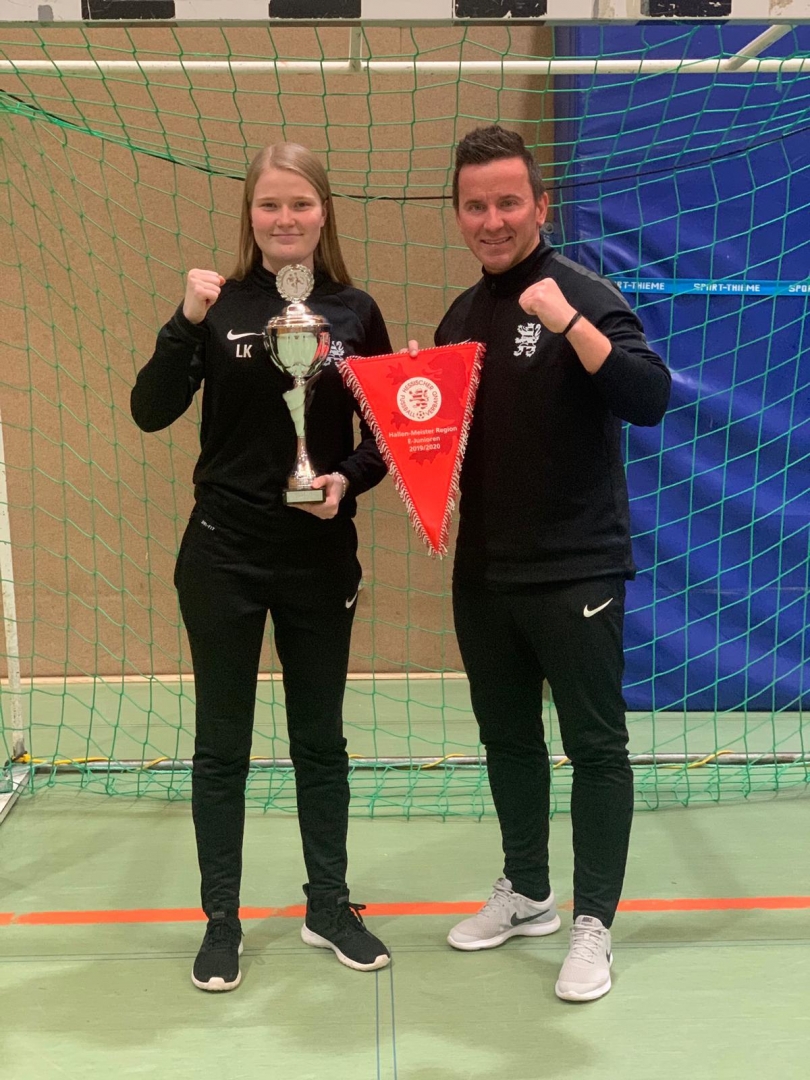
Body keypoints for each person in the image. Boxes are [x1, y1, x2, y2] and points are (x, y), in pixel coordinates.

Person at [131, 142, 393, 991]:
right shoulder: (218, 305)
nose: (286, 218)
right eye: (270, 204)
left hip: (319, 559)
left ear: (324, 213)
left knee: (321, 742)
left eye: (300, 203)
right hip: (224, 554)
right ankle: (221, 921)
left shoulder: (355, 312)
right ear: (249, 214)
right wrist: (182, 320)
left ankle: (328, 906)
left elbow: (385, 438)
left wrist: (343, 483)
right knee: (222, 747)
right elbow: (149, 411)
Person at [420, 125, 671, 1001]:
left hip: (576, 572)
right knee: (508, 741)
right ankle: (527, 890)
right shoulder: (459, 316)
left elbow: (649, 397)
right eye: (475, 205)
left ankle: (593, 925)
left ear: (540, 204)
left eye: (507, 202)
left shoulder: (583, 293)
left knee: (595, 748)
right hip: (485, 575)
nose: (491, 220)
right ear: (459, 213)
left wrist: (569, 324)